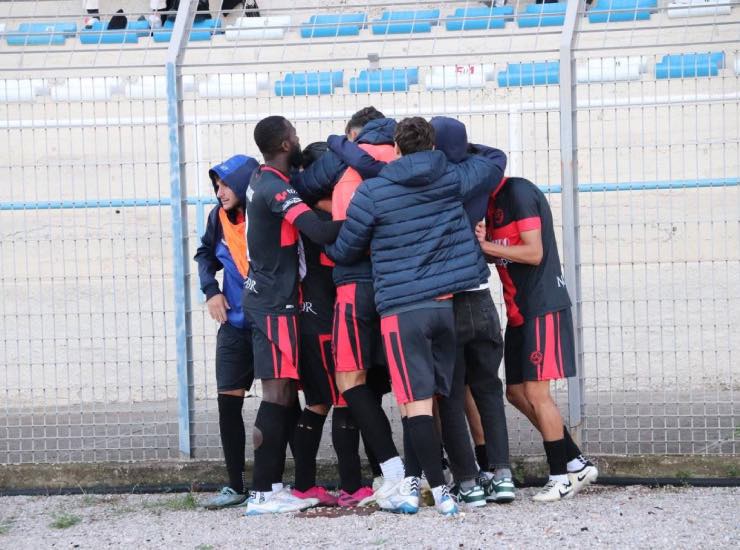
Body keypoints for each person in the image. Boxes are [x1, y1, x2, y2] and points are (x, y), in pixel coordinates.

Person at [326, 117, 504, 516]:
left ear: (397, 147)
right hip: (445, 306)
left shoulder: (374, 191)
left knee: (415, 404)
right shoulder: (452, 178)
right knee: (443, 397)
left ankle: (435, 493)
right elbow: (495, 158)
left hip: (402, 310)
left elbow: (346, 246)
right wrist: (456, 151)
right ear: (433, 146)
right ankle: (429, 485)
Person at [296, 107, 404, 507]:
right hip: (391, 288)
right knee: (400, 387)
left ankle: (383, 475)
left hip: (348, 295)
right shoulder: (403, 164)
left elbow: (334, 237)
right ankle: (405, 474)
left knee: (348, 387)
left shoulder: (336, 177)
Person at [242, 116, 342, 515]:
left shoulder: (262, 178)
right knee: (278, 394)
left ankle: (270, 488)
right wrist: (365, 216)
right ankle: (264, 494)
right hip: (273, 302)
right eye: (294, 134)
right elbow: (318, 232)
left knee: (282, 394)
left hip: (270, 297)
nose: (299, 138)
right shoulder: (272, 187)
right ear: (285, 144)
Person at [477, 175, 598, 502]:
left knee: (536, 391)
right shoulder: (486, 205)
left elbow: (532, 252)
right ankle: (575, 461)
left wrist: (485, 245)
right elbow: (501, 253)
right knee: (516, 393)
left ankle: (560, 477)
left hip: (542, 307)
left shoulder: (517, 192)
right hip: (518, 310)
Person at [429, 116, 515, 505]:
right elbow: (496, 154)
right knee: (488, 389)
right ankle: (502, 474)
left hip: (446, 298)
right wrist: (464, 151)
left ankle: (467, 481)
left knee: (450, 395)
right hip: (480, 294)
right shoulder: (477, 176)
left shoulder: (430, 181)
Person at [193, 154, 259, 509]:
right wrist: (212, 290)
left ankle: (281, 485)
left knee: (282, 404)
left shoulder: (264, 214)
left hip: (269, 324)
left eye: (227, 184)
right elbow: (205, 254)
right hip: (234, 326)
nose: (220, 192)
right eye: (217, 185)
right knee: (227, 404)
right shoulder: (217, 218)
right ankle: (236, 486)